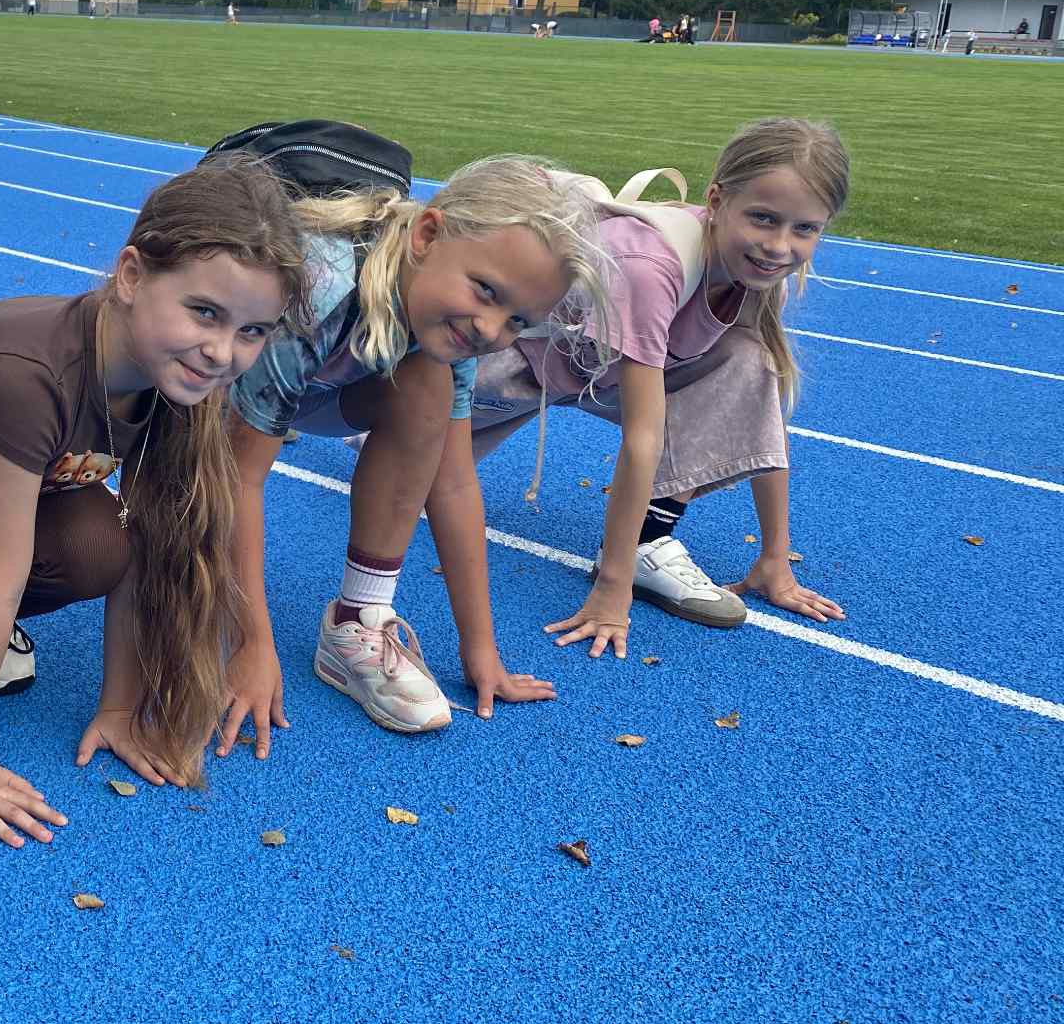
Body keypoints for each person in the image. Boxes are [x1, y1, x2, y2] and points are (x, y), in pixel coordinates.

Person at [0, 161, 307, 850]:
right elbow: (2, 581)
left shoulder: (178, 377)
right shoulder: (29, 376)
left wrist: (119, 708)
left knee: (99, 546)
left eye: (253, 331)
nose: (222, 351)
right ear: (133, 276)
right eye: (205, 312)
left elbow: (149, 545)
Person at [222, 158, 612, 750]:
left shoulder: (449, 328)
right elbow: (240, 479)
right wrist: (253, 644)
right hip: (198, 387)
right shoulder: (318, 283)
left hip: (312, 384)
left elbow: (452, 484)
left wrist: (480, 650)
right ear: (427, 236)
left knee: (427, 388)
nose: (489, 327)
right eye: (486, 291)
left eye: (516, 321)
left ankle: (359, 622)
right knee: (172, 542)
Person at [450, 119, 851, 662]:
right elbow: (643, 439)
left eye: (805, 229)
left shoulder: (758, 273)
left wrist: (775, 556)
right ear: (716, 199)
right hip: (516, 359)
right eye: (763, 218)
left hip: (598, 373)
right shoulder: (649, 267)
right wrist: (610, 595)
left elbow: (762, 407)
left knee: (750, 360)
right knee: (398, 450)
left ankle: (646, 541)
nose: (780, 246)